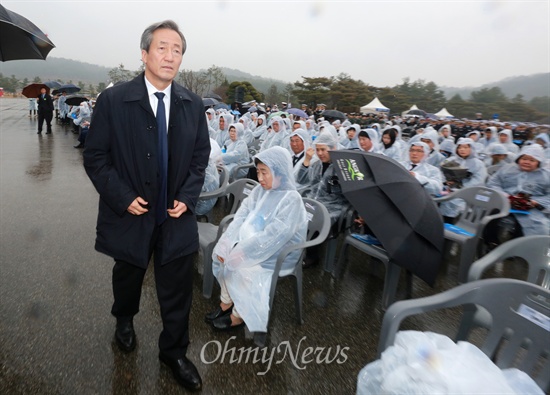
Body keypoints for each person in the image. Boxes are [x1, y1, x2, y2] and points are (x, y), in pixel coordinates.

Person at [82, 20, 209, 391]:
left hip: (174, 215)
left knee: (177, 288)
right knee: (128, 274)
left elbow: (200, 157)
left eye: (178, 50)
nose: (170, 56)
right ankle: (124, 318)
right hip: (132, 213)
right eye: (162, 48)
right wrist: (122, 197)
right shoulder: (114, 100)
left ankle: (174, 352)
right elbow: (96, 157)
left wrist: (186, 198)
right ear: (144, 54)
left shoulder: (191, 104)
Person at [207, 146, 307, 332]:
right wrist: (228, 242)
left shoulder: (291, 199)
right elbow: (241, 216)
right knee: (222, 255)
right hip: (254, 243)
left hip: (279, 252)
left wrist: (243, 252)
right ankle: (226, 303)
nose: (259, 178)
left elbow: (276, 236)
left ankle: (239, 315)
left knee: (243, 269)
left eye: (265, 172)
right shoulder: (261, 190)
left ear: (280, 172)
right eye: (258, 172)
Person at [297, 132, 349, 267]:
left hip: (333, 206)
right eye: (317, 150)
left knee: (315, 219)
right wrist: (307, 161)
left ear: (333, 149)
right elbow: (302, 180)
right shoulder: (317, 165)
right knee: (293, 212)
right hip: (314, 200)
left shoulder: (342, 168)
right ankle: (293, 249)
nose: (320, 153)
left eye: (323, 150)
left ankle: (312, 256)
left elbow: (349, 194)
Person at [485, 144, 550, 241]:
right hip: (503, 204)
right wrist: (505, 196)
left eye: (532, 160)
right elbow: (493, 183)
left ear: (538, 162)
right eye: (524, 159)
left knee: (540, 227)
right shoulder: (507, 169)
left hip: (531, 210)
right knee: (490, 222)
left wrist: (535, 202)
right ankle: (490, 245)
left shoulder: (545, 176)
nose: (527, 162)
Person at [439, 137, 487, 222]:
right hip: (450, 190)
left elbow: (479, 180)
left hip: (468, 193)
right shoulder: (450, 160)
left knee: (461, 209)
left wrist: (462, 187)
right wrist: (446, 182)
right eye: (460, 147)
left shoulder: (478, 163)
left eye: (465, 147)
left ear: (471, 148)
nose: (462, 150)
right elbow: (440, 173)